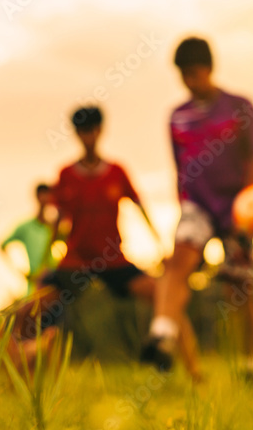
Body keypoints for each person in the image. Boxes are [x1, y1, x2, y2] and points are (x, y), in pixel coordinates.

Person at [141, 37, 253, 380]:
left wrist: (249, 198)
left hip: (236, 209)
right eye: (184, 75)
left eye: (196, 73)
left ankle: (247, 363)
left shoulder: (238, 107)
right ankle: (163, 334)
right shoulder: (177, 117)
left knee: (241, 287)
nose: (190, 81)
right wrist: (182, 202)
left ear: (209, 69)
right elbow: (179, 167)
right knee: (177, 262)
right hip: (196, 207)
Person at [15, 106, 159, 342]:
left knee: (164, 295)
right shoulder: (66, 175)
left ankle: (191, 371)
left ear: (100, 131)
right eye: (83, 131)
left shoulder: (117, 172)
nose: (88, 136)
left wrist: (160, 245)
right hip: (76, 260)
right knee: (26, 312)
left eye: (92, 130)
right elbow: (59, 224)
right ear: (76, 134)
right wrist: (44, 264)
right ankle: (13, 362)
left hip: (112, 258)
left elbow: (140, 207)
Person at [1, 184, 58, 294]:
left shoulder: (55, 228)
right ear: (37, 197)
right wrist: (21, 271)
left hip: (54, 286)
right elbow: (2, 246)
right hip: (34, 287)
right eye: (43, 194)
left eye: (48, 195)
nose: (46, 199)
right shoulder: (26, 227)